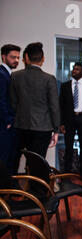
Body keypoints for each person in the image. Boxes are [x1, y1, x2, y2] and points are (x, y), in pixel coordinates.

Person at [10, 42, 59, 172]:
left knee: (15, 160)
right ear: (42, 60)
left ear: (26, 58)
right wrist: (56, 130)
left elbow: (13, 103)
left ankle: (13, 189)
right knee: (37, 163)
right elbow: (54, 107)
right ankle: (37, 190)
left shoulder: (15, 76)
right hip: (42, 129)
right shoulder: (49, 79)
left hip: (20, 126)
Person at [0, 44, 20, 174]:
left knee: (9, 159)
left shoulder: (8, 73)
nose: (16, 60)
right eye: (13, 57)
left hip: (7, 124)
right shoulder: (2, 74)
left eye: (18, 57)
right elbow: (1, 100)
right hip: (4, 125)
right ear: (3, 57)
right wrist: (8, 121)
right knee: (4, 159)